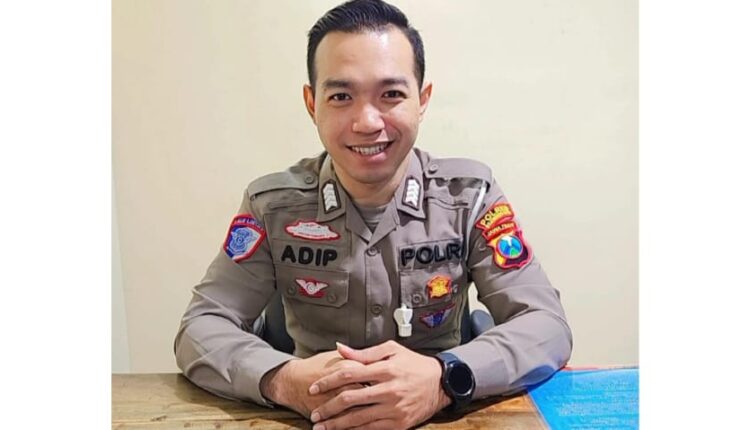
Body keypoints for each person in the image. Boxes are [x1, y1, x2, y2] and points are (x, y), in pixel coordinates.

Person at [174, 0, 573, 428]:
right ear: (312, 104)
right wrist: (282, 380)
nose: (367, 122)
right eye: (341, 96)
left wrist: (444, 378)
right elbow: (201, 326)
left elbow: (546, 324)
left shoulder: (469, 196)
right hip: (313, 415)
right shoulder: (272, 206)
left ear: (422, 100)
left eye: (391, 95)